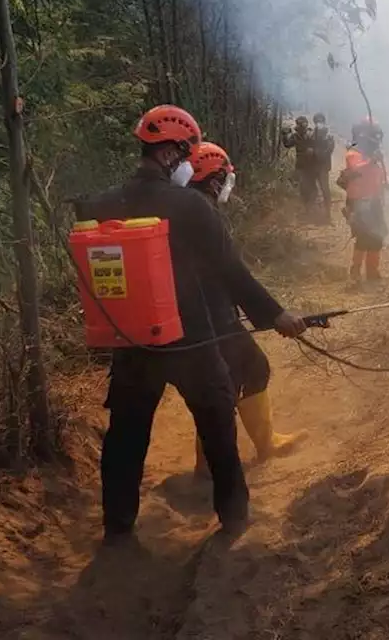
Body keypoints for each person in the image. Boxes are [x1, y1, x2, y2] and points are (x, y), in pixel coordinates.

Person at [74, 105, 307, 542]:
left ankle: (117, 530)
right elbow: (231, 272)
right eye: (186, 154)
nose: (187, 163)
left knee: (125, 436)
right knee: (218, 426)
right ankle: (234, 519)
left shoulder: (103, 203)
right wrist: (276, 315)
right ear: (169, 154)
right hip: (191, 341)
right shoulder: (191, 206)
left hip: (132, 343)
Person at [186, 142, 304, 477]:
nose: (228, 185)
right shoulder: (201, 212)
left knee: (244, 371)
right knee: (230, 380)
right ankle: (209, 466)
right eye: (226, 178)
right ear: (213, 180)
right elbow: (233, 271)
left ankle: (260, 445)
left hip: (202, 311)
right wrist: (275, 314)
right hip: (208, 314)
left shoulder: (187, 206)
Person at [337, 117, 389, 284]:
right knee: (363, 236)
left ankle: (372, 273)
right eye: (373, 134)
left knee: (378, 236)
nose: (376, 138)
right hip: (357, 201)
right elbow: (356, 168)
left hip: (374, 201)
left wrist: (387, 182)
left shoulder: (374, 154)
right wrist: (372, 160)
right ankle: (355, 273)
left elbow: (381, 173)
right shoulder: (354, 152)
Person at [281, 116, 317, 216]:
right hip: (301, 164)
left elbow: (319, 146)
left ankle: (312, 206)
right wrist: (285, 134)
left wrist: (312, 150)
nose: (298, 126)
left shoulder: (312, 134)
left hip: (311, 164)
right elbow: (287, 144)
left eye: (300, 124)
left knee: (311, 186)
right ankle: (307, 208)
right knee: (303, 187)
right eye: (298, 124)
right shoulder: (296, 136)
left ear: (305, 124)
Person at [308, 112, 336, 224]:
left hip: (323, 167)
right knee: (312, 189)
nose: (319, 123)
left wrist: (314, 152)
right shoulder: (311, 135)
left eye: (321, 121)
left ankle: (328, 213)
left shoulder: (329, 137)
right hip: (312, 166)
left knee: (325, 190)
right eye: (317, 121)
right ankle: (312, 212)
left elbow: (328, 151)